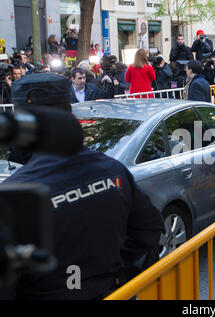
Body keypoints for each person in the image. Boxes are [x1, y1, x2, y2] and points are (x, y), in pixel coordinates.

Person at [3, 73, 165, 299]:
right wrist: (117, 273)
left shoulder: (16, 192)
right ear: (70, 112)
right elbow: (149, 227)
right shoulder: (113, 170)